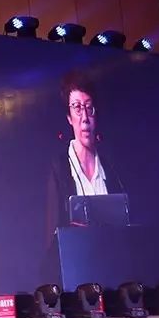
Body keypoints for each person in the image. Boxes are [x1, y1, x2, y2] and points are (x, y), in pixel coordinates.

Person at [46, 70, 124, 230]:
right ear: (69, 117)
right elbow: (53, 235)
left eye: (89, 108)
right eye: (77, 108)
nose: (85, 118)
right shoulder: (59, 169)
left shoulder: (110, 168)